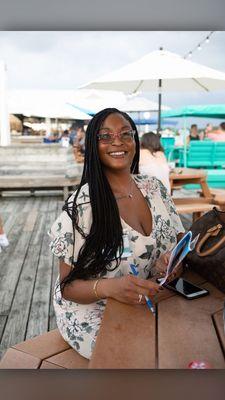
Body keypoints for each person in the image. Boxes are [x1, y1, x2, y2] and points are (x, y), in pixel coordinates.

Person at [48, 108, 185, 360]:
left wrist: (169, 264)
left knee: (186, 340)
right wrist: (111, 287)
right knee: (142, 356)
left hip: (147, 296)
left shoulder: (154, 188)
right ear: (93, 145)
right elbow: (68, 287)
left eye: (125, 134)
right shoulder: (82, 205)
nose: (117, 142)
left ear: (135, 140)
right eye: (105, 136)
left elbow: (177, 245)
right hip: (94, 309)